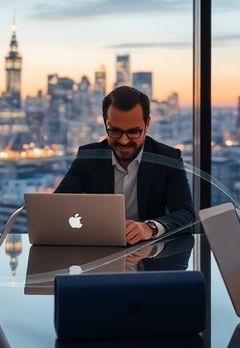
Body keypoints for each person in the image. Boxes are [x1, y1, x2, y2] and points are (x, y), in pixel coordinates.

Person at [56, 86, 194, 244]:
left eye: (134, 132)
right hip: (99, 253)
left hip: (151, 257)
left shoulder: (168, 158)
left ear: (147, 124)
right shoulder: (88, 157)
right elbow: (57, 206)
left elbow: (186, 214)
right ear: (104, 122)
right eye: (114, 131)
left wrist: (150, 228)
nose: (123, 140)